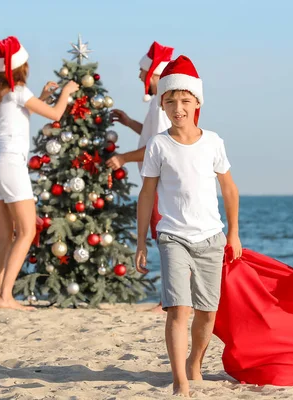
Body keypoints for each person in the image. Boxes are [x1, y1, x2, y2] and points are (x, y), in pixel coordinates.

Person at [135, 55, 242, 397]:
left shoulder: (213, 141)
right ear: (162, 104)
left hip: (211, 237)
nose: (178, 107)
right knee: (179, 309)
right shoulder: (158, 145)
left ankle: (196, 360)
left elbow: (229, 189)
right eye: (170, 101)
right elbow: (146, 195)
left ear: (197, 102)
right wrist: (141, 242)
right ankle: (180, 378)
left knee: (207, 313)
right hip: (173, 237)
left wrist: (234, 232)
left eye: (185, 100)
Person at [0, 36, 79, 310]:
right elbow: (56, 115)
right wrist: (66, 92)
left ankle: (1, 293)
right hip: (9, 164)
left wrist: (42, 97)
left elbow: (17, 116)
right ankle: (5, 297)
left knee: (4, 235)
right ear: (22, 66)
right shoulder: (19, 90)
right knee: (26, 231)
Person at [106, 41, 174, 313]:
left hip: (160, 184)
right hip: (158, 182)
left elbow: (153, 148)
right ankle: (170, 298)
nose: (138, 77)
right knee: (164, 239)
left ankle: (168, 300)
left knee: (166, 239)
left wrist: (122, 158)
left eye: (142, 72)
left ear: (155, 74)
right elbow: (150, 136)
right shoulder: (157, 106)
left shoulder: (161, 106)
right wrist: (128, 122)